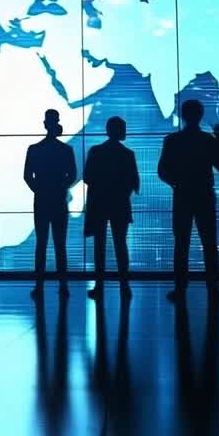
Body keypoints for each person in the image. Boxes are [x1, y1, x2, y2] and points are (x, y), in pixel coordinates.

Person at [158, 99, 219, 303]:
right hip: (204, 196)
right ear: (200, 115)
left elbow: (162, 171)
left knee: (181, 243)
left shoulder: (172, 140)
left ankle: (180, 288)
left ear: (182, 115)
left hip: (182, 195)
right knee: (209, 243)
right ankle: (212, 288)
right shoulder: (208, 141)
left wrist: (177, 183)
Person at [23, 109, 77, 299]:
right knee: (59, 244)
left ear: (45, 124)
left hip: (42, 200)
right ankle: (63, 285)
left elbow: (27, 176)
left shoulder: (35, 149)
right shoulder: (65, 150)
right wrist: (60, 186)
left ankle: (39, 285)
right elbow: (72, 175)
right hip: (59, 200)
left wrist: (39, 189)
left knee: (42, 244)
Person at [83, 116, 138, 300]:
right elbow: (134, 182)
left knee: (100, 246)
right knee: (120, 245)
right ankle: (124, 284)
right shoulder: (127, 154)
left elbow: (87, 177)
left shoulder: (96, 151)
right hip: (120, 204)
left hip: (99, 204)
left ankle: (99, 285)